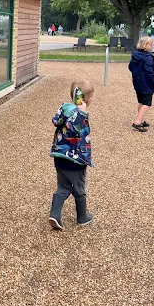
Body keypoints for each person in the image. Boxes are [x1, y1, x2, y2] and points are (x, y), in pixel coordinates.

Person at [48, 79, 95, 230]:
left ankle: (55, 214)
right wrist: (82, 113)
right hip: (75, 160)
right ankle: (82, 216)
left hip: (60, 157)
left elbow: (56, 121)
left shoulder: (64, 108)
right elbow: (76, 129)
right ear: (86, 99)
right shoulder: (80, 114)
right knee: (79, 188)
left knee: (62, 186)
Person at [128, 36, 154, 132]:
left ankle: (141, 119)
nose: (153, 46)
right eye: (152, 44)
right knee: (147, 103)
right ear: (147, 45)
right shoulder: (148, 58)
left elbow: (130, 67)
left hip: (137, 82)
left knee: (141, 102)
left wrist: (137, 74)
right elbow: (150, 73)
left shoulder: (136, 55)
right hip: (146, 83)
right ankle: (137, 122)